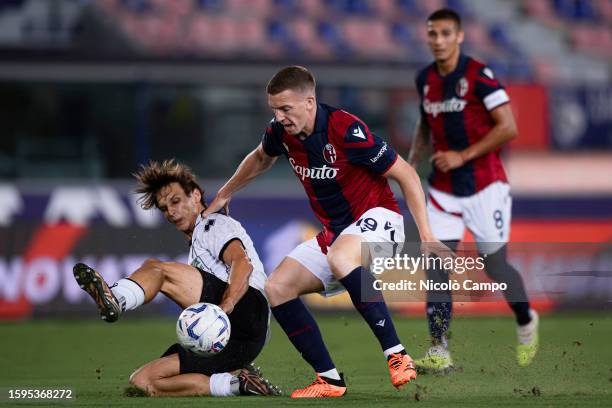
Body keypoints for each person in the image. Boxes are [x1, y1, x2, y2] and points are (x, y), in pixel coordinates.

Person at [203, 65, 448, 398]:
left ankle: (397, 355)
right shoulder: (280, 131)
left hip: (382, 221)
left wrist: (427, 236)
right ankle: (330, 380)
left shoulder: (345, 129)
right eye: (274, 109)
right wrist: (225, 193)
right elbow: (261, 158)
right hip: (337, 234)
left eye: (286, 109)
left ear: (309, 102)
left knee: (341, 255)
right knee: (277, 287)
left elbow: (406, 174)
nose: (279, 116)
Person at [72, 159, 280, 397]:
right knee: (143, 381)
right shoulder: (196, 246)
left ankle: (116, 298)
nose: (170, 212)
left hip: (246, 310)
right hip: (239, 344)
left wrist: (227, 305)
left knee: (156, 269)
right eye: (163, 208)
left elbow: (243, 264)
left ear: (195, 196)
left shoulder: (212, 224)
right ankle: (236, 383)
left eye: (176, 201)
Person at [407, 8, 539, 372]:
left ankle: (526, 318)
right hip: (443, 190)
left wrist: (462, 155)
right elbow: (425, 123)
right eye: (432, 34)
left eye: (445, 34)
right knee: (435, 265)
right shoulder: (425, 79)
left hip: (485, 186)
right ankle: (439, 349)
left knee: (495, 266)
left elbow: (509, 126)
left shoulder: (479, 76)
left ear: (459, 36)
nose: (438, 40)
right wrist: (410, 161)